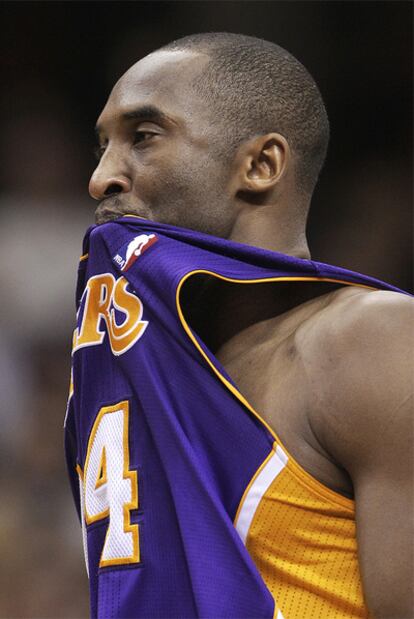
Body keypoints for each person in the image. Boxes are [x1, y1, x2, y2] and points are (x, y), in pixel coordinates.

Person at [65, 33, 413, 619]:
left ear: (260, 165)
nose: (102, 179)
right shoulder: (132, 361)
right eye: (102, 146)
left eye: (142, 138)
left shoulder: (374, 340)